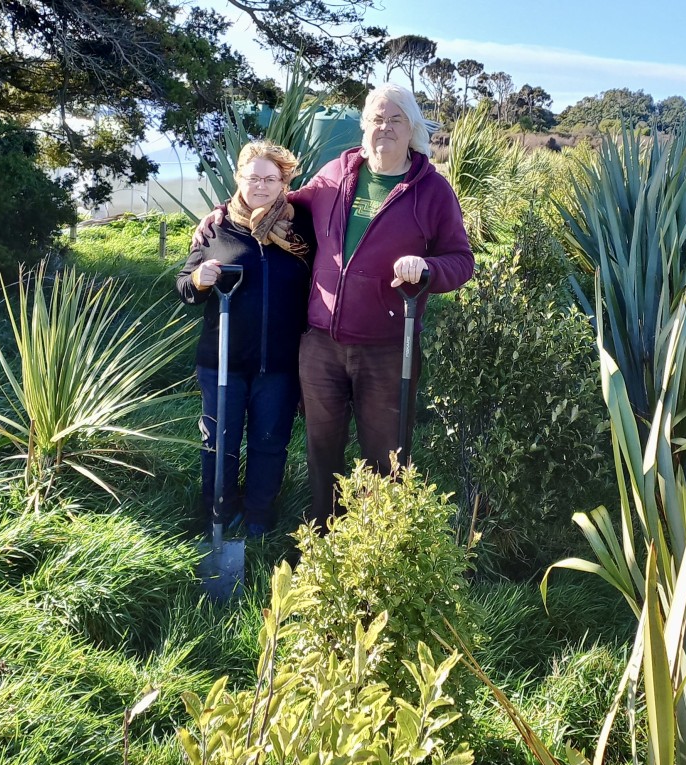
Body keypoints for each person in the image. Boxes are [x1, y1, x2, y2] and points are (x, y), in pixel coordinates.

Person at [193, 84, 473, 528]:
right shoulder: (337, 174)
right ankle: (324, 535)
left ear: (413, 128)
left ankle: (377, 541)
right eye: (377, 118)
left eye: (396, 118)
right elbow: (278, 202)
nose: (385, 127)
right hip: (321, 344)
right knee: (322, 448)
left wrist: (427, 269)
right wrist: (223, 212)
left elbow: (462, 260)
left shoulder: (432, 191)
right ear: (364, 126)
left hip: (385, 344)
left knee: (386, 452)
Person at [178, 141, 313, 538]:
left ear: (284, 181)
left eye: (271, 178)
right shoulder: (216, 227)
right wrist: (199, 281)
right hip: (222, 361)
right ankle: (219, 512)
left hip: (279, 363)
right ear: (238, 177)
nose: (261, 185)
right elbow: (184, 286)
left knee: (269, 443)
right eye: (253, 177)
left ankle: (258, 518)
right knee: (220, 442)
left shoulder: (302, 227)